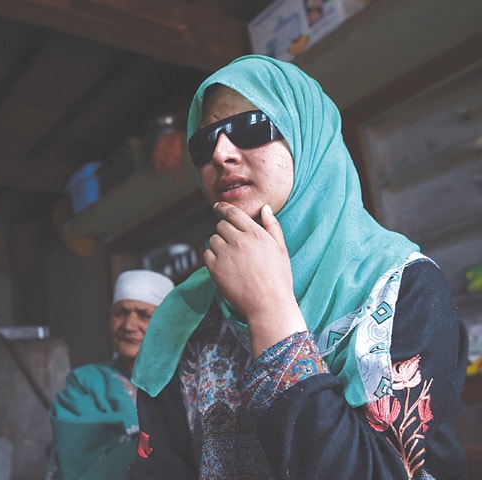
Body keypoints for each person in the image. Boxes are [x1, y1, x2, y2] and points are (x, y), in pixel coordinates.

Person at [129, 54, 469, 479]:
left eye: (249, 127)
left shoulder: (402, 285)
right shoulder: (184, 312)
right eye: (203, 143)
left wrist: (270, 311)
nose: (220, 153)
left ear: (308, 137)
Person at [47, 269, 175, 480]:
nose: (129, 326)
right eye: (120, 313)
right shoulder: (84, 383)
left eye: (144, 315)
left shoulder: (185, 383)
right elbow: (81, 459)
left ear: (167, 324)